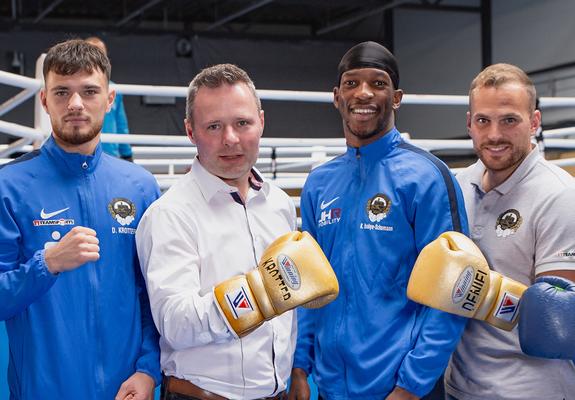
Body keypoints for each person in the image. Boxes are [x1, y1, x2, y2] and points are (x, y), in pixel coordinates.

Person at [135, 63, 338, 400]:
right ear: (190, 131)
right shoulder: (170, 214)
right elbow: (175, 323)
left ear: (261, 121)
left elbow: (287, 314)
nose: (230, 139)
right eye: (213, 126)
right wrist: (257, 295)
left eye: (242, 123)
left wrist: (296, 367)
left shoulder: (279, 205)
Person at [289, 41, 469, 400]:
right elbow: (308, 286)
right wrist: (299, 366)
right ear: (337, 96)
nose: (364, 93)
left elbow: (454, 291)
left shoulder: (427, 177)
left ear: (397, 97)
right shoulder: (320, 183)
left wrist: (411, 386)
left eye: (378, 83)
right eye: (352, 84)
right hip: (331, 387)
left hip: (401, 389)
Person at [0, 39, 161, 399]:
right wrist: (48, 263)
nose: (75, 104)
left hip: (127, 391)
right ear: (44, 100)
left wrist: (149, 371)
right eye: (62, 93)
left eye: (89, 91)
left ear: (109, 99)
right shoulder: (8, 186)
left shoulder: (140, 186)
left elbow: (155, 296)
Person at [444, 63, 575, 400]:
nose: (494, 135)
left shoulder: (559, 195)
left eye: (509, 120)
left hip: (528, 390)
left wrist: (477, 290)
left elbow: (555, 321)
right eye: (483, 121)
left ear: (534, 122)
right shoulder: (457, 186)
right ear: (469, 124)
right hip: (460, 386)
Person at [86, 36, 134, 161]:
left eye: (100, 56)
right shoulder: (75, 89)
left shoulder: (114, 89)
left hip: (111, 155)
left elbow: (121, 124)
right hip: (83, 154)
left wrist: (127, 154)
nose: (95, 60)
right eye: (91, 54)